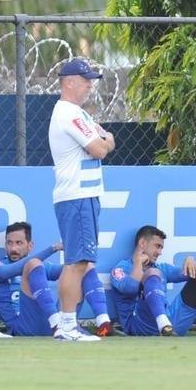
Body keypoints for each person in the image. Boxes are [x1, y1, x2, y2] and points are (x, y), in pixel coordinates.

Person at [48, 57, 115, 341]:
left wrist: (105, 139)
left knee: (81, 262)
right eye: (86, 80)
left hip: (82, 196)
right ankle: (67, 326)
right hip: (78, 196)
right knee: (76, 264)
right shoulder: (69, 114)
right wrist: (106, 140)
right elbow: (101, 148)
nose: (90, 86)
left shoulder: (78, 114)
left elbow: (105, 140)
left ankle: (66, 325)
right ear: (70, 82)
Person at [0, 221, 112, 339]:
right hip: (23, 325)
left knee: (84, 267)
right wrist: (53, 248)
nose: (13, 249)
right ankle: (56, 322)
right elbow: (12, 270)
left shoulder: (40, 266)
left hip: (48, 322)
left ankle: (103, 321)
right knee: (33, 263)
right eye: (9, 243)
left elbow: (72, 271)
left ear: (30, 246)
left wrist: (77, 259)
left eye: (19, 243)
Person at [110, 225, 196, 337]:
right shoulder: (120, 268)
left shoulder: (160, 268)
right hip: (140, 327)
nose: (160, 252)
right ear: (142, 243)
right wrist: (138, 263)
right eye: (157, 246)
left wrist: (191, 261)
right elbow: (130, 288)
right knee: (152, 273)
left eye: (161, 248)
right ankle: (164, 326)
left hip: (173, 323)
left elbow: (192, 273)